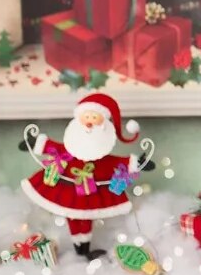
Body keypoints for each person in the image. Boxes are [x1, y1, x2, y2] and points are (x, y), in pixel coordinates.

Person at [19, 93, 152, 260]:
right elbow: (55, 148)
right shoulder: (71, 147)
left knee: (86, 218)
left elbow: (117, 162)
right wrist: (37, 144)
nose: (89, 121)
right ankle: (78, 245)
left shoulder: (103, 157)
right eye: (86, 116)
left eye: (94, 116)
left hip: (91, 192)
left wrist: (136, 163)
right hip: (67, 188)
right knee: (72, 217)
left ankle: (84, 246)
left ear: (103, 122)